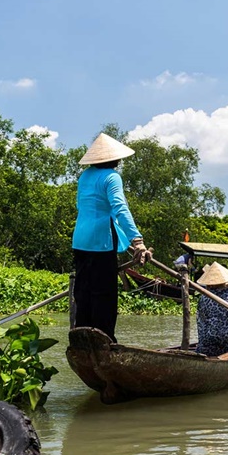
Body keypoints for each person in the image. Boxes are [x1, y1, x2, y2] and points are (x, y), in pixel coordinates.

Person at [71, 132, 150, 342]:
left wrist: (129, 242)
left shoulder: (85, 176)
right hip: (101, 242)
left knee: (83, 293)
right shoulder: (111, 177)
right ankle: (104, 340)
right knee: (103, 295)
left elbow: (90, 208)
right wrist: (138, 241)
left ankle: (82, 337)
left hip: (80, 240)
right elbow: (119, 209)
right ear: (112, 159)